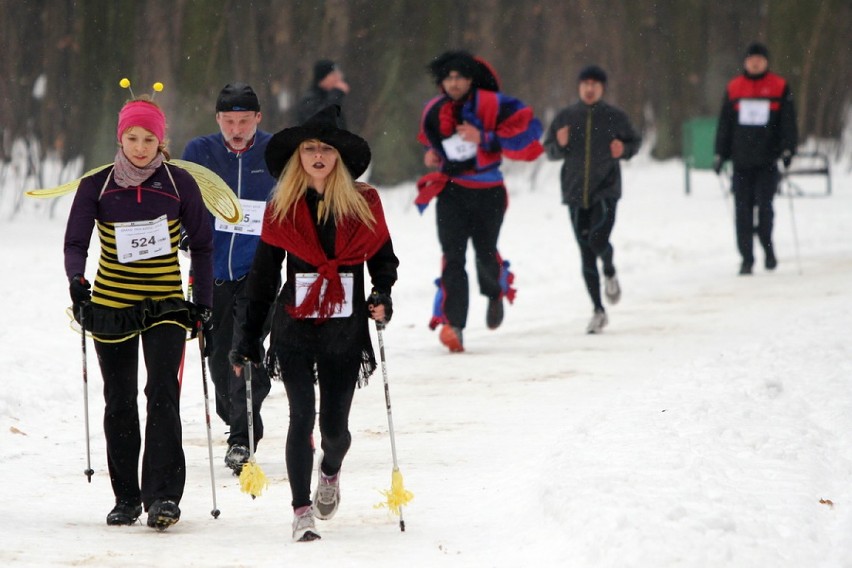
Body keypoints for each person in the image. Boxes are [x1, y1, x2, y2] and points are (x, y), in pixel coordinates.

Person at [229, 105, 398, 542]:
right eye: (309, 149)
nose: (317, 156)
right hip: (295, 326)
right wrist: (246, 340)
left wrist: (381, 296)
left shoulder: (364, 204)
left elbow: (383, 260)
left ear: (338, 156)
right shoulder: (281, 207)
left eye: (325, 148)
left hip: (345, 330)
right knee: (300, 416)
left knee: (334, 430)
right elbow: (264, 280)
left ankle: (331, 469)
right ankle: (300, 510)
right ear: (298, 156)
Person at [64, 95, 214, 530]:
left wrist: (202, 300)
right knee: (120, 400)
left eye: (150, 138)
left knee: (163, 394)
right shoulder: (98, 185)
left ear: (161, 139)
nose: (141, 147)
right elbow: (76, 243)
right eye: (133, 138)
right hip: (112, 305)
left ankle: (164, 497)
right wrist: (77, 281)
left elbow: (203, 245)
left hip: (166, 303)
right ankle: (127, 497)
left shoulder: (179, 183)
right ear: (120, 137)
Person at [416, 50, 543, 352]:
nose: (454, 82)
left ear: (471, 79)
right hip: (450, 191)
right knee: (452, 256)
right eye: (448, 77)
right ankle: (454, 326)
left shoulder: (492, 104)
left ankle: (494, 292)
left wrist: (483, 137)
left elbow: (528, 132)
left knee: (485, 253)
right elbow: (433, 144)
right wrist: (432, 156)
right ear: (441, 82)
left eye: (460, 76)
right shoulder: (433, 110)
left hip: (488, 192)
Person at [181, 83, 276, 475]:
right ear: (217, 119)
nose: (236, 129)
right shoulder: (199, 152)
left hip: (260, 270)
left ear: (258, 118)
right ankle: (239, 415)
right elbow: (181, 202)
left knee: (246, 348)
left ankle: (241, 439)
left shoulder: (274, 152)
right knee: (219, 359)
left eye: (244, 120)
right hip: (212, 271)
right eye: (229, 121)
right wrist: (185, 231)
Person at [543, 65, 641, 334]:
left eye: (595, 84)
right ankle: (598, 310)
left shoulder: (615, 117)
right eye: (585, 83)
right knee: (585, 254)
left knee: (597, 239)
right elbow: (549, 150)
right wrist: (559, 145)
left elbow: (635, 143)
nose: (589, 89)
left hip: (606, 189)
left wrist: (624, 149)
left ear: (602, 88)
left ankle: (609, 270)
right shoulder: (566, 116)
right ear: (578, 87)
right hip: (575, 192)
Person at [713, 42, 798, 275]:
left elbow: (788, 122)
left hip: (767, 161)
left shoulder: (779, 87)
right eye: (752, 59)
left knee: (765, 208)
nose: (755, 62)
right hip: (741, 162)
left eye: (760, 59)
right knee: (742, 212)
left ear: (766, 62)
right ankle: (746, 258)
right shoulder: (734, 88)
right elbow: (725, 125)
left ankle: (767, 247)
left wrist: (789, 149)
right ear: (745, 62)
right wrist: (720, 153)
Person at [296, 59, 349, 127]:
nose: (339, 79)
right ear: (324, 78)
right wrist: (336, 94)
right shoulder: (309, 99)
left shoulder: (328, 98)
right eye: (334, 76)